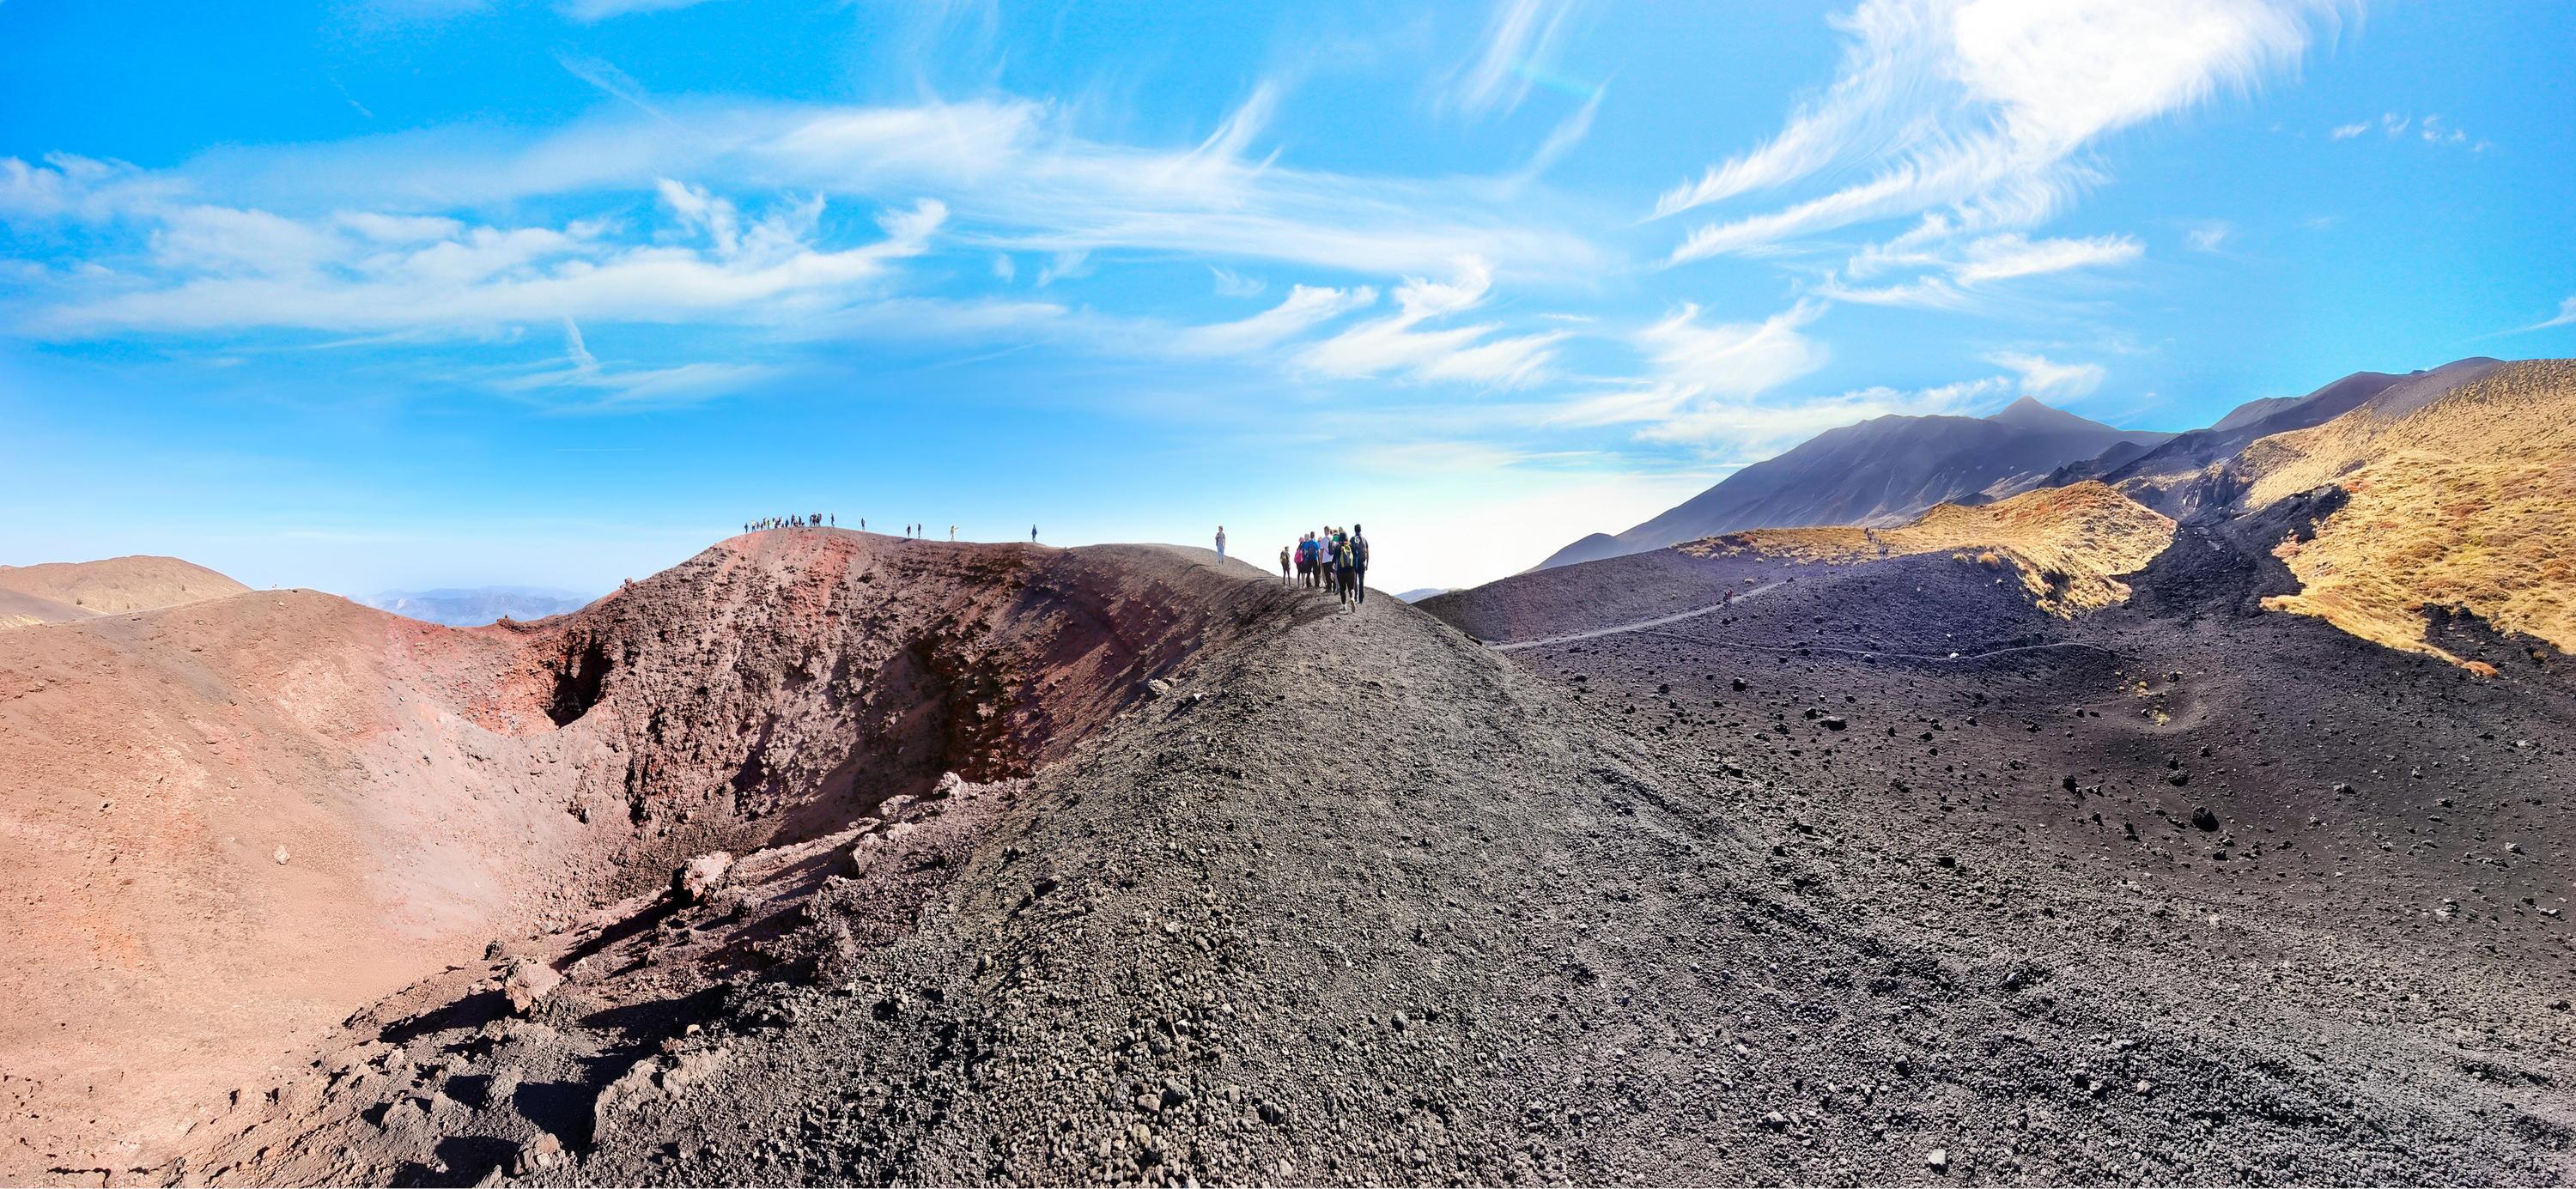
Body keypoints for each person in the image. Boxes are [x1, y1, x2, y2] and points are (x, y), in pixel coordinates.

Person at [1349, 522, 1370, 607]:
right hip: (1362, 563)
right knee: (1361, 581)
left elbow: (1349, 552)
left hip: (1354, 563)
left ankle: (1355, 597)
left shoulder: (1352, 539)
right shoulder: (1364, 540)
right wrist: (1367, 564)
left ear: (1355, 530)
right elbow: (1367, 553)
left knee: (1354, 581)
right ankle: (1361, 599)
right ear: (1360, 530)